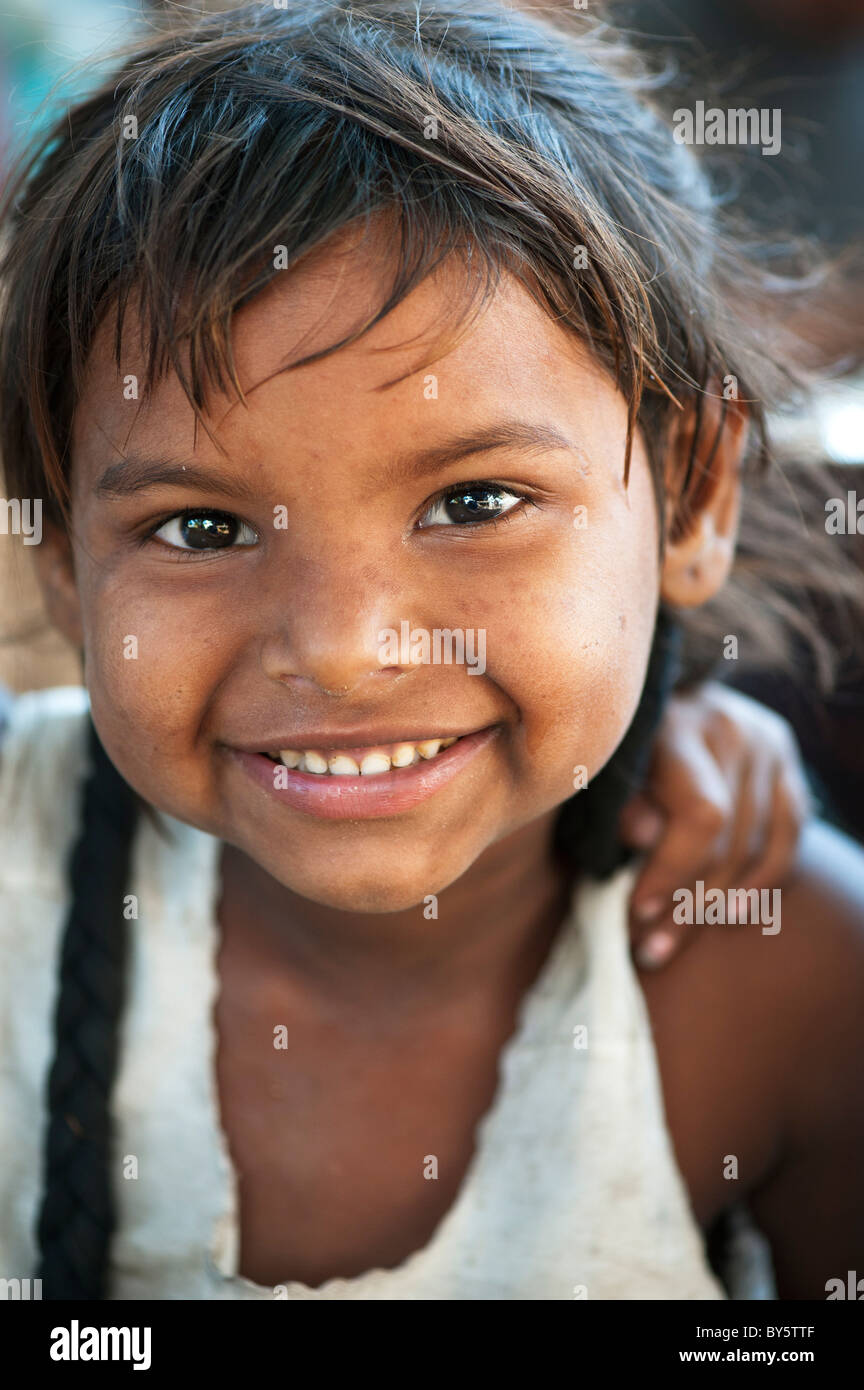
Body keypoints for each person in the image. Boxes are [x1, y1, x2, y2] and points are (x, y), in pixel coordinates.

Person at [0, 0, 861, 1301]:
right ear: (65, 562)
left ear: (693, 496)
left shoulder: (791, 980)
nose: (345, 650)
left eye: (473, 503)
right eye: (201, 525)